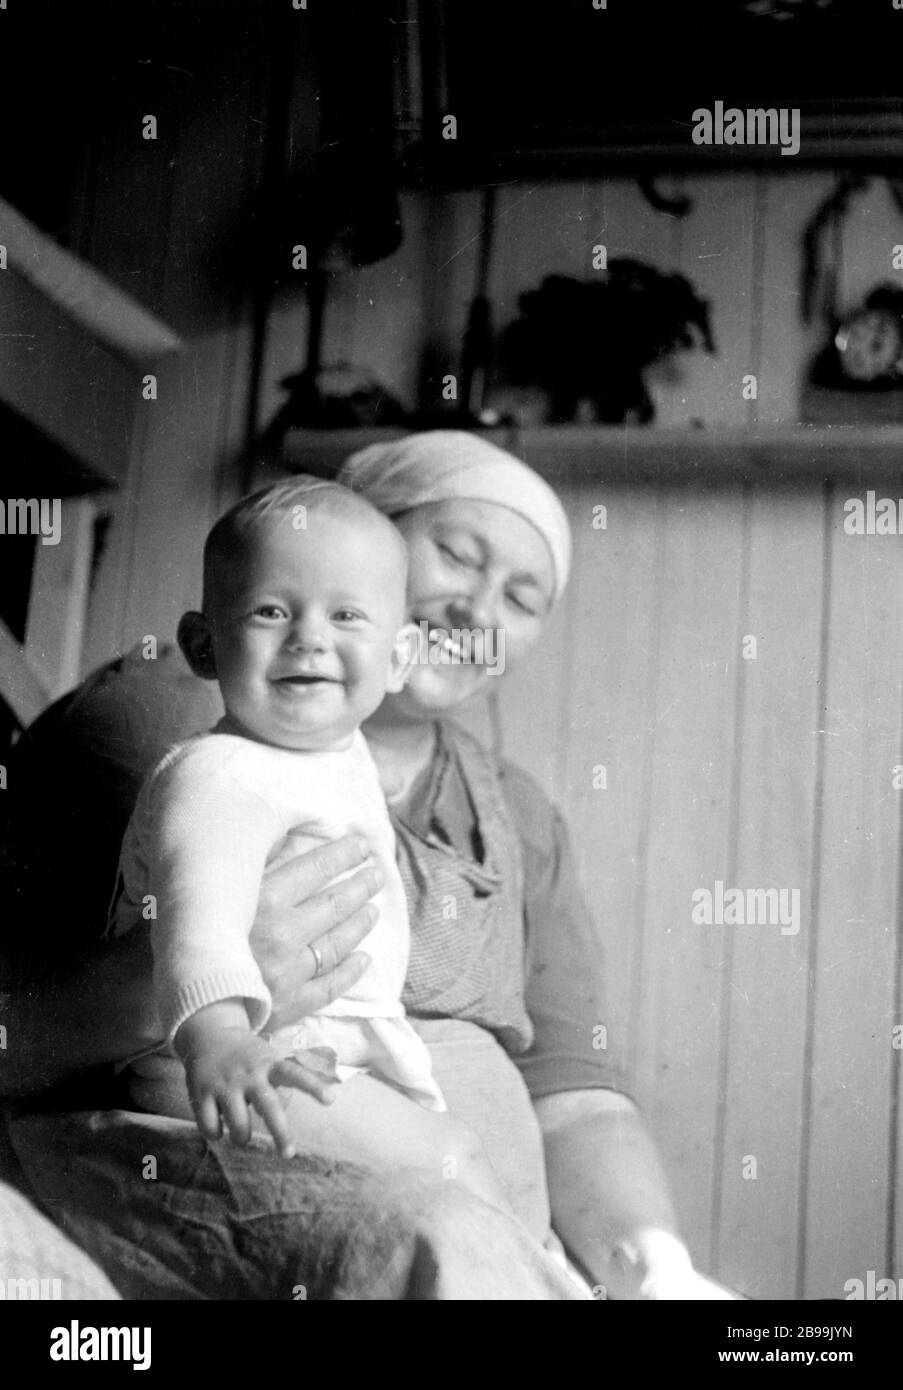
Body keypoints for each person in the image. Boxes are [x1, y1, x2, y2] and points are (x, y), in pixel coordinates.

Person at [0, 431, 726, 1299]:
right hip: (231, 1191)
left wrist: (658, 1270)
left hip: (477, 1233)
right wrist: (185, 990)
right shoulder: (162, 721)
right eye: (456, 554)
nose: (478, 611)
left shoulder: (518, 815)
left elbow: (575, 1097)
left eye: (523, 598)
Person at [111, 473, 508, 1210]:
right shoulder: (220, 774)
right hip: (215, 1057)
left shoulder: (336, 755)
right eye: (270, 610)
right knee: (454, 1169)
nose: (310, 637)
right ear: (203, 644)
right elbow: (198, 927)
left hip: (296, 1045)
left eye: (347, 614)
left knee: (459, 1182)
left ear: (397, 657)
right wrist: (222, 1042)